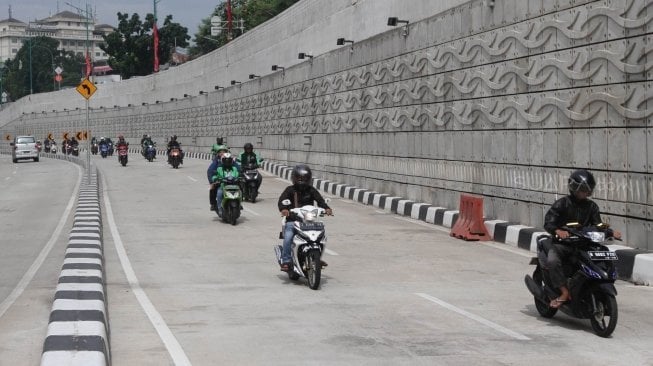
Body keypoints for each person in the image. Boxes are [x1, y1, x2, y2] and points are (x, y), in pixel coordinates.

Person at [543, 169, 621, 308]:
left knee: (604, 253)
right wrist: (558, 230)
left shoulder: (592, 206)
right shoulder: (562, 204)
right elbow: (549, 222)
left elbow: (598, 225)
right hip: (563, 244)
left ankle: (593, 285)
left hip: (584, 244)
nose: (586, 192)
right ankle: (564, 292)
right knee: (553, 260)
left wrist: (610, 232)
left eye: (588, 189)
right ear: (574, 187)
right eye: (583, 189)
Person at [277, 164, 332, 271]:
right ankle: (286, 260)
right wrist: (284, 209)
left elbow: (320, 200)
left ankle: (316, 258)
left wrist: (326, 208)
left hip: (308, 220)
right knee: (288, 236)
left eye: (305, 178)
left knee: (320, 235)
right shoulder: (290, 190)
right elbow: (281, 201)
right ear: (294, 178)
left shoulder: (311, 190)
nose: (301, 180)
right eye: (299, 178)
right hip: (293, 219)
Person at [211, 153, 240, 217]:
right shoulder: (219, 169)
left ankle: (239, 204)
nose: (227, 162)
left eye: (229, 160)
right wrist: (215, 179)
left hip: (234, 186)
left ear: (231, 161)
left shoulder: (234, 169)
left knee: (240, 192)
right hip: (223, 186)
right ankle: (220, 208)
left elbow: (238, 175)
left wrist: (240, 177)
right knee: (219, 193)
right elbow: (214, 176)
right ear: (222, 161)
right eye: (225, 160)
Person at [207, 144, 231, 211]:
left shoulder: (230, 159)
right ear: (218, 153)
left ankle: (239, 202)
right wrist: (212, 181)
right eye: (220, 152)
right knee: (213, 188)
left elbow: (237, 168)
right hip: (221, 181)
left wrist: (240, 174)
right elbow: (210, 171)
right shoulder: (216, 161)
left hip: (231, 180)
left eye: (224, 151)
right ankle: (213, 204)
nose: (222, 153)